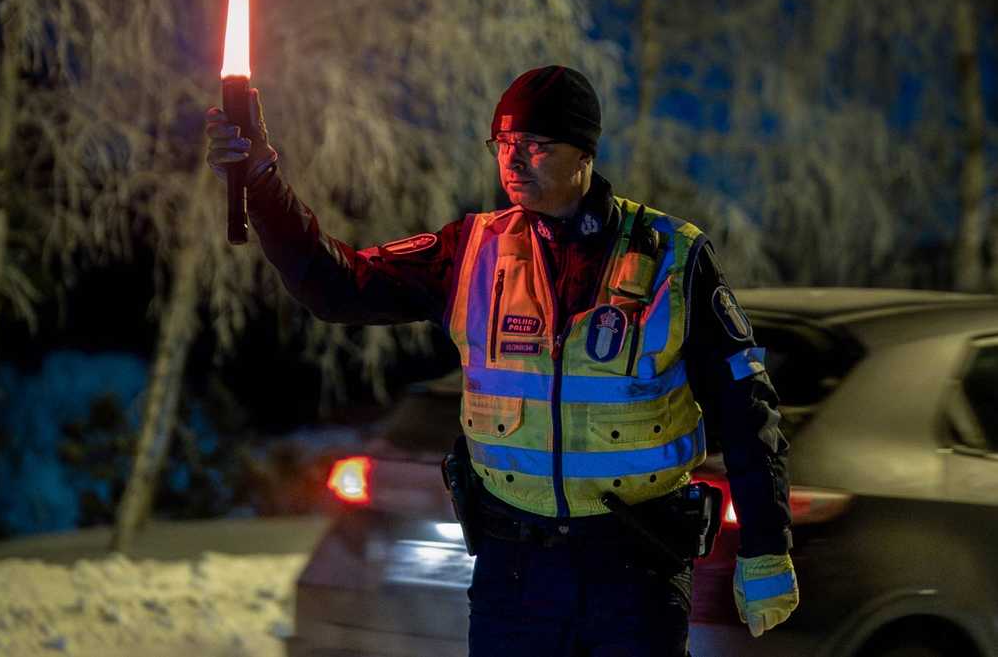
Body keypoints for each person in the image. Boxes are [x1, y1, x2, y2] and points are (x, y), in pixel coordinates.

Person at [205, 65, 797, 657]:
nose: (514, 161)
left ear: (584, 153)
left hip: (634, 571)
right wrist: (261, 179)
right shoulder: (472, 250)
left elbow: (744, 406)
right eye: (505, 144)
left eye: (537, 146)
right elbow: (334, 286)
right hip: (515, 575)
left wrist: (766, 545)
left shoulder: (675, 256)